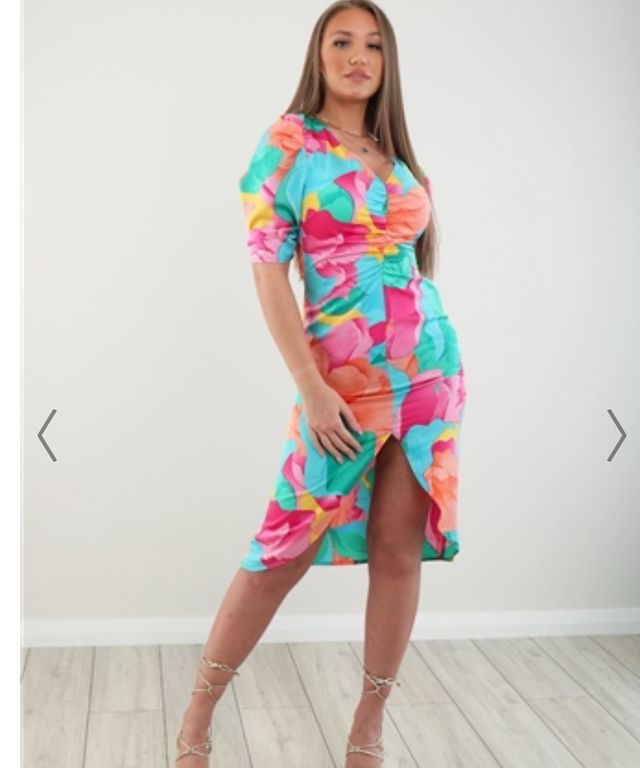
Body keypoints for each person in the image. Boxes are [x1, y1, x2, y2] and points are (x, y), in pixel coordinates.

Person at [174, 1, 467, 764]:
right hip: (341, 382)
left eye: (374, 44)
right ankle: (198, 713)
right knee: (283, 546)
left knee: (397, 550)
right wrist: (309, 384)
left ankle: (368, 728)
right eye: (342, 41)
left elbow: (410, 265)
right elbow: (268, 273)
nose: (358, 56)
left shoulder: (393, 152)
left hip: (429, 375)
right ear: (319, 54)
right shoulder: (288, 143)